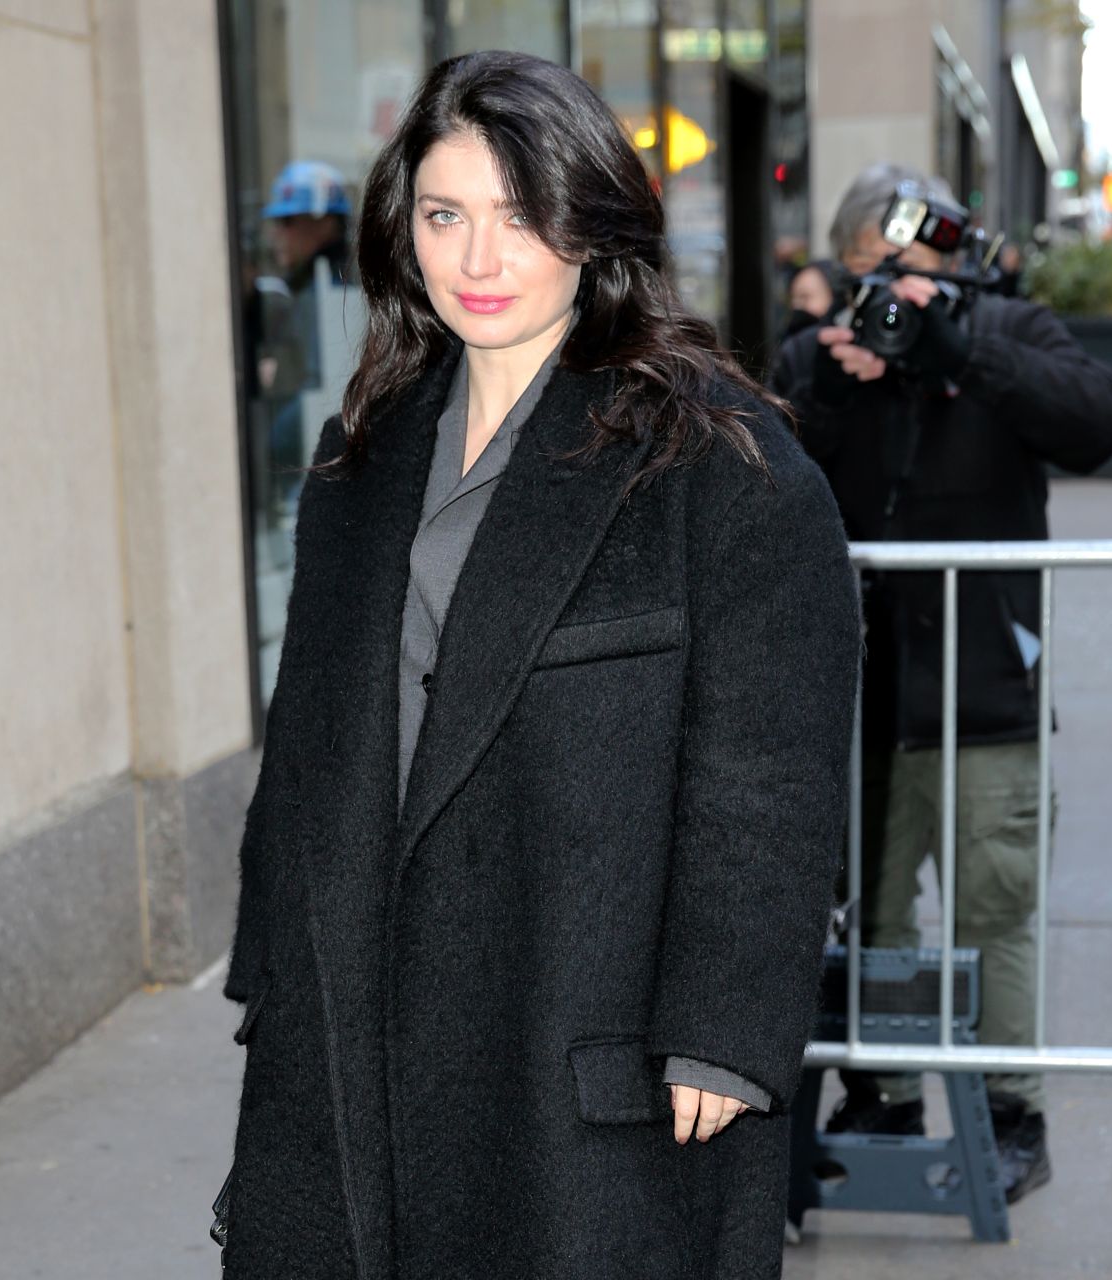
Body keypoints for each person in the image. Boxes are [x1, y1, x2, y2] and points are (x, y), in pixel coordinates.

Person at [218, 50, 860, 1279]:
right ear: (401, 233)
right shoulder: (366, 455)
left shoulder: (716, 462)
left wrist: (725, 1026)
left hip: (579, 1009)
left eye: (520, 217)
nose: (477, 261)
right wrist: (270, 963)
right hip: (356, 998)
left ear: (590, 220)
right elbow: (308, 734)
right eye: (445, 215)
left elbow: (768, 772)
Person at [772, 163, 1112, 1205]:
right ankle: (879, 1092)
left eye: (913, 272)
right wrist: (834, 388)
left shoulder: (1007, 335)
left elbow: (1098, 422)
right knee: (872, 915)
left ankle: (1013, 1111)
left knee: (994, 916)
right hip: (861, 707)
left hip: (986, 697)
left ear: (956, 270)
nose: (892, 293)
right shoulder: (818, 354)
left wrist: (962, 354)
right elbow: (756, 464)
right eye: (870, 273)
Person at [260, 160, 352, 488]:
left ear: (323, 221)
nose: (276, 234)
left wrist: (267, 448)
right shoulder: (314, 286)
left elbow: (327, 386)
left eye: (287, 221)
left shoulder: (330, 289)